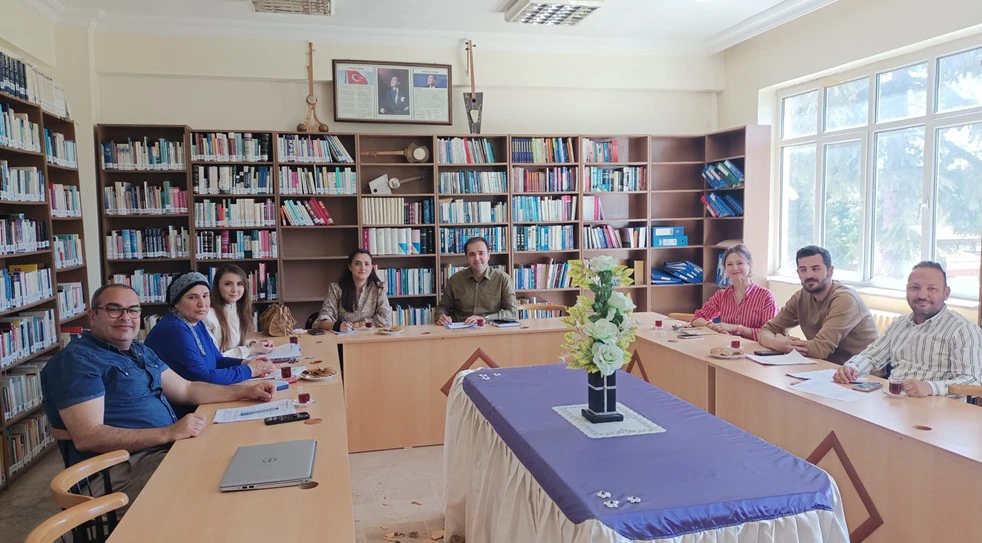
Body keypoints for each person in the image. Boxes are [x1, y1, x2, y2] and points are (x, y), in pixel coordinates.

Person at [40, 283, 277, 507]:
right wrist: (168, 433)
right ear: (93, 316)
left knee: (237, 457)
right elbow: (88, 436)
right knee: (215, 483)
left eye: (133, 310)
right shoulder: (78, 361)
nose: (125, 318)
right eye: (114, 310)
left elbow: (186, 389)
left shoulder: (139, 350)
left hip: (160, 450)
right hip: (116, 470)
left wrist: (245, 391)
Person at [834, 262, 982, 397]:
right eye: (915, 288)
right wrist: (852, 368)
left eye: (932, 289)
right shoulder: (899, 324)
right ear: (907, 290)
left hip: (939, 410)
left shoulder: (963, 330)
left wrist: (930, 387)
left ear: (946, 293)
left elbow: (973, 381)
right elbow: (871, 356)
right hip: (894, 402)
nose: (922, 295)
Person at [145, 271, 274, 389]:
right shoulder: (175, 329)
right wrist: (250, 370)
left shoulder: (195, 322)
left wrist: (246, 363)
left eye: (205, 296)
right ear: (176, 303)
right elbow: (203, 378)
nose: (202, 303)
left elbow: (218, 360)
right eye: (193, 297)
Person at [759, 245, 877, 364]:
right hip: (825, 367)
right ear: (798, 273)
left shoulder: (845, 299)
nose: (809, 275)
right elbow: (766, 330)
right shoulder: (801, 297)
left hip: (860, 372)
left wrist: (786, 344)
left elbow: (820, 349)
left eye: (815, 269)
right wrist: (777, 343)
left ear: (830, 271)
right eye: (803, 270)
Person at [690, 244, 777, 340]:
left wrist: (736, 328)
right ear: (725, 269)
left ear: (749, 265)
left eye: (739, 263)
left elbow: (770, 334)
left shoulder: (765, 296)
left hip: (754, 348)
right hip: (727, 346)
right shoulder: (721, 295)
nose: (734, 268)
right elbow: (696, 319)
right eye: (729, 264)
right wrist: (712, 326)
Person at [437, 236, 518, 326]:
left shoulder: (503, 279)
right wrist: (442, 316)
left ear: (488, 255)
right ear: (466, 257)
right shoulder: (455, 280)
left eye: (481, 253)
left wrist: (485, 318)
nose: (476, 258)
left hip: (490, 328)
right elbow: (443, 307)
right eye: (472, 254)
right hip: (460, 329)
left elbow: (512, 313)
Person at [204, 264, 273, 358]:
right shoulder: (207, 315)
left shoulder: (237, 308)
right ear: (217, 285)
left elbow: (233, 345)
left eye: (240, 284)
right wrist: (251, 350)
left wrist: (253, 344)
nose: (235, 290)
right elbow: (217, 357)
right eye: (228, 284)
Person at [315, 249, 392, 332]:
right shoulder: (335, 288)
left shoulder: (378, 288)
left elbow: (386, 319)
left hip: (370, 337)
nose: (363, 268)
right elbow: (321, 321)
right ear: (350, 267)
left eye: (366, 264)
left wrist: (359, 324)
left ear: (371, 267)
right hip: (343, 336)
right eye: (357, 264)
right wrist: (338, 326)